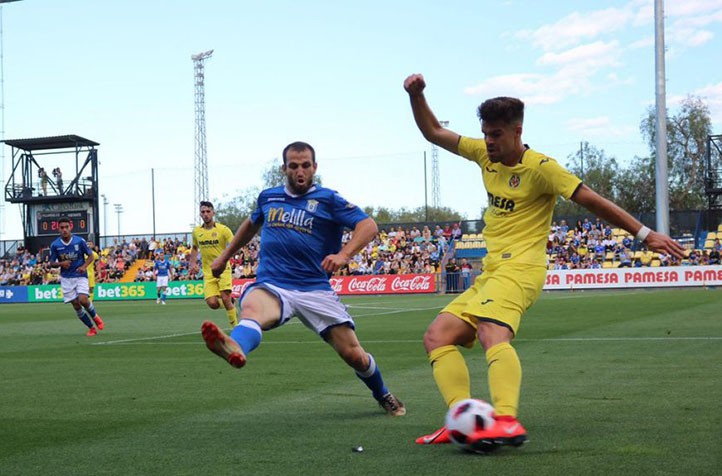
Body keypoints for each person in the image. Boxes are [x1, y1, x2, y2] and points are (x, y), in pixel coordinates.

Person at [403, 73, 686, 449]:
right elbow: (434, 132)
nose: (488, 141)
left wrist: (644, 234)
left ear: (517, 131)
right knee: (437, 336)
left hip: (522, 268)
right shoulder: (483, 155)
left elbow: (593, 200)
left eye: (497, 134)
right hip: (491, 273)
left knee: (491, 329)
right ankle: (463, 420)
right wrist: (418, 96)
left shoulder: (542, 168)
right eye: (485, 133)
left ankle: (503, 419)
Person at [200, 141, 405, 417]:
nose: (300, 171)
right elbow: (250, 226)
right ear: (283, 168)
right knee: (252, 309)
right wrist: (225, 257)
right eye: (294, 166)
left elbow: (368, 226)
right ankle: (235, 346)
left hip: (315, 290)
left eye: (306, 166)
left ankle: (382, 393)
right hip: (274, 283)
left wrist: (344, 255)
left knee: (354, 355)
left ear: (315, 168)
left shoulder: (328, 199)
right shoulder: (268, 197)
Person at [49, 217, 105, 336]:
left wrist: (84, 267)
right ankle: (91, 328)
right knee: (76, 305)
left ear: (70, 227)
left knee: (83, 300)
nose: (64, 230)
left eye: (66, 227)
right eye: (62, 228)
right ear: (58, 229)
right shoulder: (55, 245)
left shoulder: (79, 241)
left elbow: (90, 257)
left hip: (80, 276)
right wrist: (61, 264)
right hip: (66, 278)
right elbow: (51, 263)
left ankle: (95, 317)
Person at [189, 201, 238, 327]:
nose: (205, 214)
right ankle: (231, 303)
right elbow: (194, 248)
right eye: (203, 212)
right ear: (200, 214)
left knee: (225, 297)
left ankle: (236, 328)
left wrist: (225, 258)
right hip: (208, 272)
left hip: (223, 269)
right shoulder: (196, 232)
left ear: (213, 213)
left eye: (208, 211)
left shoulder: (223, 230)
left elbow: (235, 244)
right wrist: (192, 263)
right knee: (212, 303)